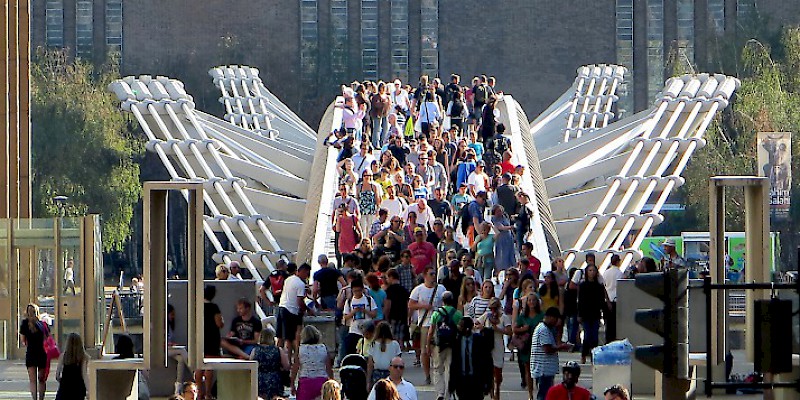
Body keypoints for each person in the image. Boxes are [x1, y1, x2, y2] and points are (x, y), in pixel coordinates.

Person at [408, 266, 446, 385]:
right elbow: (411, 305)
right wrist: (423, 306)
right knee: (424, 350)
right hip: (425, 323)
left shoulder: (441, 288)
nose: (433, 276)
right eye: (431, 274)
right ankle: (427, 375)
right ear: (425, 276)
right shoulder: (418, 290)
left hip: (439, 323)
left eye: (434, 274)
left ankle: (438, 373)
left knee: (439, 349)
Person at [530, 307, 573, 400]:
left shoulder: (546, 329)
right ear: (550, 317)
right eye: (556, 319)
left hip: (546, 370)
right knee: (544, 396)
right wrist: (562, 347)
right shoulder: (543, 329)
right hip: (543, 371)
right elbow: (547, 349)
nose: (556, 322)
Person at [426, 291, 462, 400]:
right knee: (450, 369)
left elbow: (431, 330)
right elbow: (460, 330)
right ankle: (448, 393)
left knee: (437, 369)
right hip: (452, 345)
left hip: (439, 345)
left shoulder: (436, 313)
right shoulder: (457, 314)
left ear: (443, 301)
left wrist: (428, 345)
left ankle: (440, 393)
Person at [476, 298, 511, 400]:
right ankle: (493, 394)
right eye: (491, 308)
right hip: (487, 345)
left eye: (495, 308)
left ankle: (497, 390)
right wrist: (482, 327)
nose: (493, 311)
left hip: (498, 346)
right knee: (489, 371)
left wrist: (498, 329)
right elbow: (476, 323)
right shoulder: (487, 316)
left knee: (498, 373)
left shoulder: (504, 317)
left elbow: (509, 331)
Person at [278, 263, 313, 360]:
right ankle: (292, 359)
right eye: (307, 273)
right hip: (291, 311)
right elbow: (299, 301)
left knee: (281, 336)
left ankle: (280, 358)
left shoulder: (288, 279)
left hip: (282, 307)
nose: (307, 276)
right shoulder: (300, 284)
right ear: (303, 271)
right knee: (290, 338)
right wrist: (307, 310)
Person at [196, 285, 224, 400]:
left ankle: (199, 392)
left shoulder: (198, 306)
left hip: (200, 338)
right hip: (212, 339)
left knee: (199, 366)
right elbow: (219, 324)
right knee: (209, 366)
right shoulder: (214, 307)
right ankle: (208, 393)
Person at [514, 292, 544, 400]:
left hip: (539, 345)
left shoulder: (541, 315)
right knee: (528, 370)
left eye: (533, 300)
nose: (531, 302)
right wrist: (523, 329)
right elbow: (515, 329)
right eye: (529, 300)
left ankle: (540, 392)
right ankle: (530, 395)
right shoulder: (523, 316)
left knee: (539, 371)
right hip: (526, 345)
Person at [291, 326, 333, 400]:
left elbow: (295, 368)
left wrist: (292, 384)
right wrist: (332, 382)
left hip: (305, 382)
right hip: (322, 381)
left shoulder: (300, 350)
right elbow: (329, 368)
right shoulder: (323, 348)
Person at [577, 264, 609, 364]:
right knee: (587, 335)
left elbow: (601, 301)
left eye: (593, 271)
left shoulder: (599, 286)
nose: (592, 273)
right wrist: (579, 314)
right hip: (585, 314)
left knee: (595, 336)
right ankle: (584, 354)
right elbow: (580, 301)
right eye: (590, 270)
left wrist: (604, 311)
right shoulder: (583, 285)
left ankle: (593, 355)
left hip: (595, 313)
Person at [250, 326, 290, 400]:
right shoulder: (278, 350)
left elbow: (251, 365)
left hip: (259, 380)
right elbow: (286, 366)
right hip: (275, 380)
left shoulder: (255, 350)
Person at [343, 277, 378, 356]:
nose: (357, 293)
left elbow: (374, 314)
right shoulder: (349, 301)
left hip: (367, 330)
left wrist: (365, 311)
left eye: (359, 291)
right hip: (354, 330)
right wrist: (353, 312)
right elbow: (345, 316)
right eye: (355, 291)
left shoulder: (369, 299)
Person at [20, 303, 47, 400]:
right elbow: (46, 338)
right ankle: (41, 398)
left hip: (31, 353)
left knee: (32, 380)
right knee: (42, 380)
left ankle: (34, 398)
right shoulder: (42, 324)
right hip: (41, 353)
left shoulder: (24, 324)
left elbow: (23, 341)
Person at [366, 322, 402, 387]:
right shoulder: (395, 344)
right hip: (391, 373)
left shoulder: (373, 344)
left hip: (377, 373)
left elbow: (370, 364)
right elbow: (398, 362)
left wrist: (368, 381)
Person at [54, 333, 88, 400]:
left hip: (65, 388)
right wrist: (89, 390)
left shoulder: (63, 356)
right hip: (78, 389)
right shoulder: (83, 358)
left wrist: (62, 381)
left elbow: (57, 375)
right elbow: (84, 375)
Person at [383, 268, 410, 351]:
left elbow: (388, 305)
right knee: (401, 338)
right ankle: (400, 353)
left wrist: (386, 316)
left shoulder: (389, 290)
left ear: (391, 277)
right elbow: (408, 304)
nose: (387, 280)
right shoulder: (404, 289)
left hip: (393, 315)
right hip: (403, 315)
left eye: (387, 278)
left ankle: (394, 354)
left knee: (393, 337)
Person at [167, 304, 190, 395]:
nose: (173, 317)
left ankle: (178, 385)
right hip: (162, 350)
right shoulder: (162, 325)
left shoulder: (170, 326)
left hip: (169, 348)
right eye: (171, 314)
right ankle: (194, 371)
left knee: (180, 359)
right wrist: (172, 344)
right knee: (182, 350)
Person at [603, 254, 624, 342]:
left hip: (607, 298)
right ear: (618, 262)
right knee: (615, 323)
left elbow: (604, 285)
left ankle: (607, 340)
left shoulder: (606, 272)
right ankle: (613, 340)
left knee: (607, 323)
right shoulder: (619, 273)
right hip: (615, 299)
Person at [491, 204, 516, 275]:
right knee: (502, 256)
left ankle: (508, 272)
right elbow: (501, 227)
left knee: (510, 255)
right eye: (498, 211)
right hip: (501, 239)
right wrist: (512, 227)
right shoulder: (494, 219)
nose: (500, 212)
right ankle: (497, 272)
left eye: (501, 210)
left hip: (509, 238)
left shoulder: (505, 216)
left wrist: (514, 235)